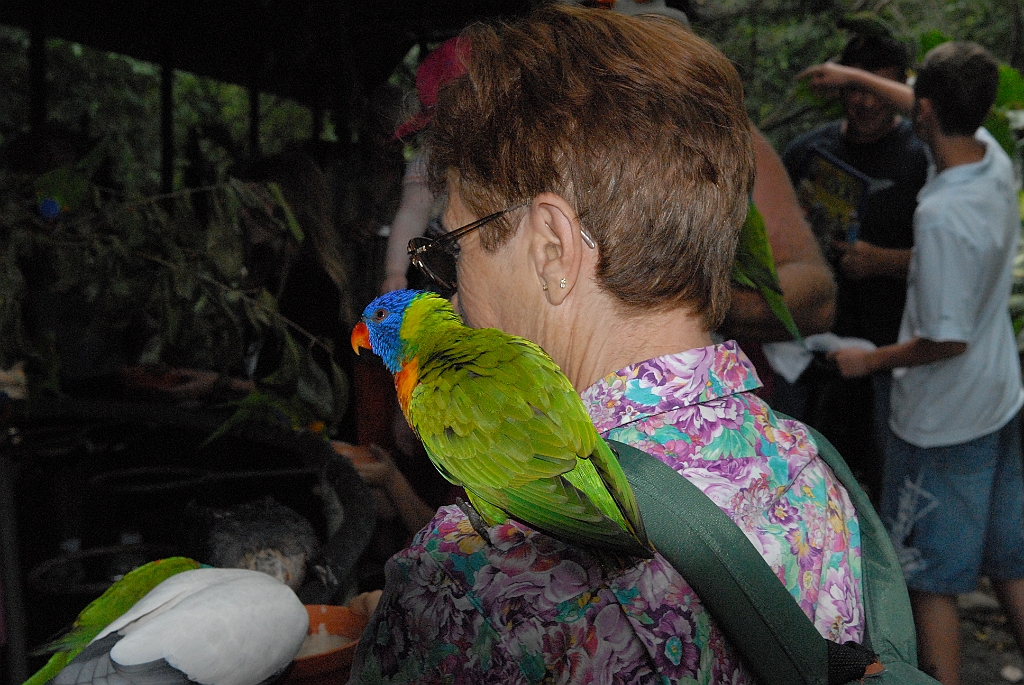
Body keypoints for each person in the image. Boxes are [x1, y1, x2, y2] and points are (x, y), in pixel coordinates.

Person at [346, 6, 864, 683]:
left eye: (454, 247)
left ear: (552, 249)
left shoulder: (469, 582)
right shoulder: (813, 473)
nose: (449, 289)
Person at [814, 43, 1024, 685]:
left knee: (928, 578)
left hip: (942, 422)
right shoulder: (991, 159)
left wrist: (867, 362)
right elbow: (937, 106)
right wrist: (851, 75)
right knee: (1010, 563)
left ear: (925, 109)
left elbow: (944, 340)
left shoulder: (941, 214)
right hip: (999, 399)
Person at [771, 34, 929, 499]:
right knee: (803, 468)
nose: (866, 102)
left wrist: (886, 262)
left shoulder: (922, 157)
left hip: (891, 349)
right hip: (810, 347)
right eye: (856, 88)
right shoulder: (807, 152)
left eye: (879, 88)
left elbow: (957, 262)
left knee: (886, 473)